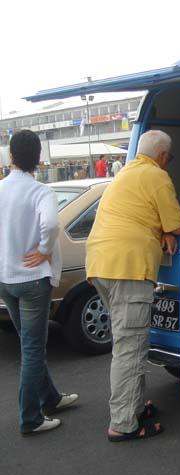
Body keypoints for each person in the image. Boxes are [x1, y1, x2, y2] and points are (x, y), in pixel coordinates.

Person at [86, 130, 180, 441]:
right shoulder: (156, 176)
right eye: (169, 158)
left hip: (101, 265)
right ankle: (123, 423)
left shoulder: (126, 173)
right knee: (130, 348)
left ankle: (135, 406)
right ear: (163, 156)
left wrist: (161, 230)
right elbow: (176, 223)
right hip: (128, 268)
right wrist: (167, 231)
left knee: (130, 341)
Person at [0, 130, 78, 435]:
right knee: (33, 349)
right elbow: (52, 223)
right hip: (32, 280)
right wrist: (44, 250)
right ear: (39, 158)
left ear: (11, 156)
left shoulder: (1, 188)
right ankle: (30, 418)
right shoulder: (40, 191)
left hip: (5, 278)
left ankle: (51, 398)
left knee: (28, 343)